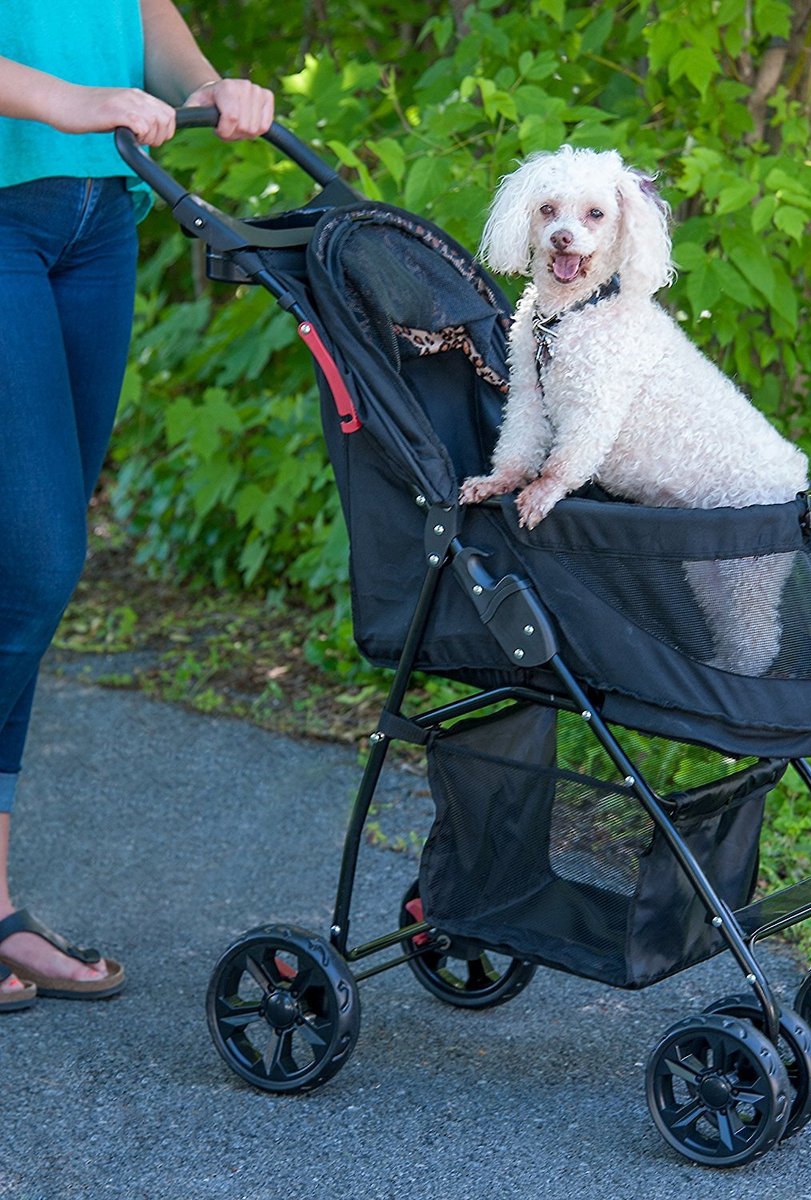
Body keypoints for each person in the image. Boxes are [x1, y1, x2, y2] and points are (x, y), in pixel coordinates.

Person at [0, 1, 274, 1009]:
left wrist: (197, 78)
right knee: (35, 562)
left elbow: (142, 9)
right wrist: (76, 101)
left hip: (100, 215)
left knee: (16, 578)